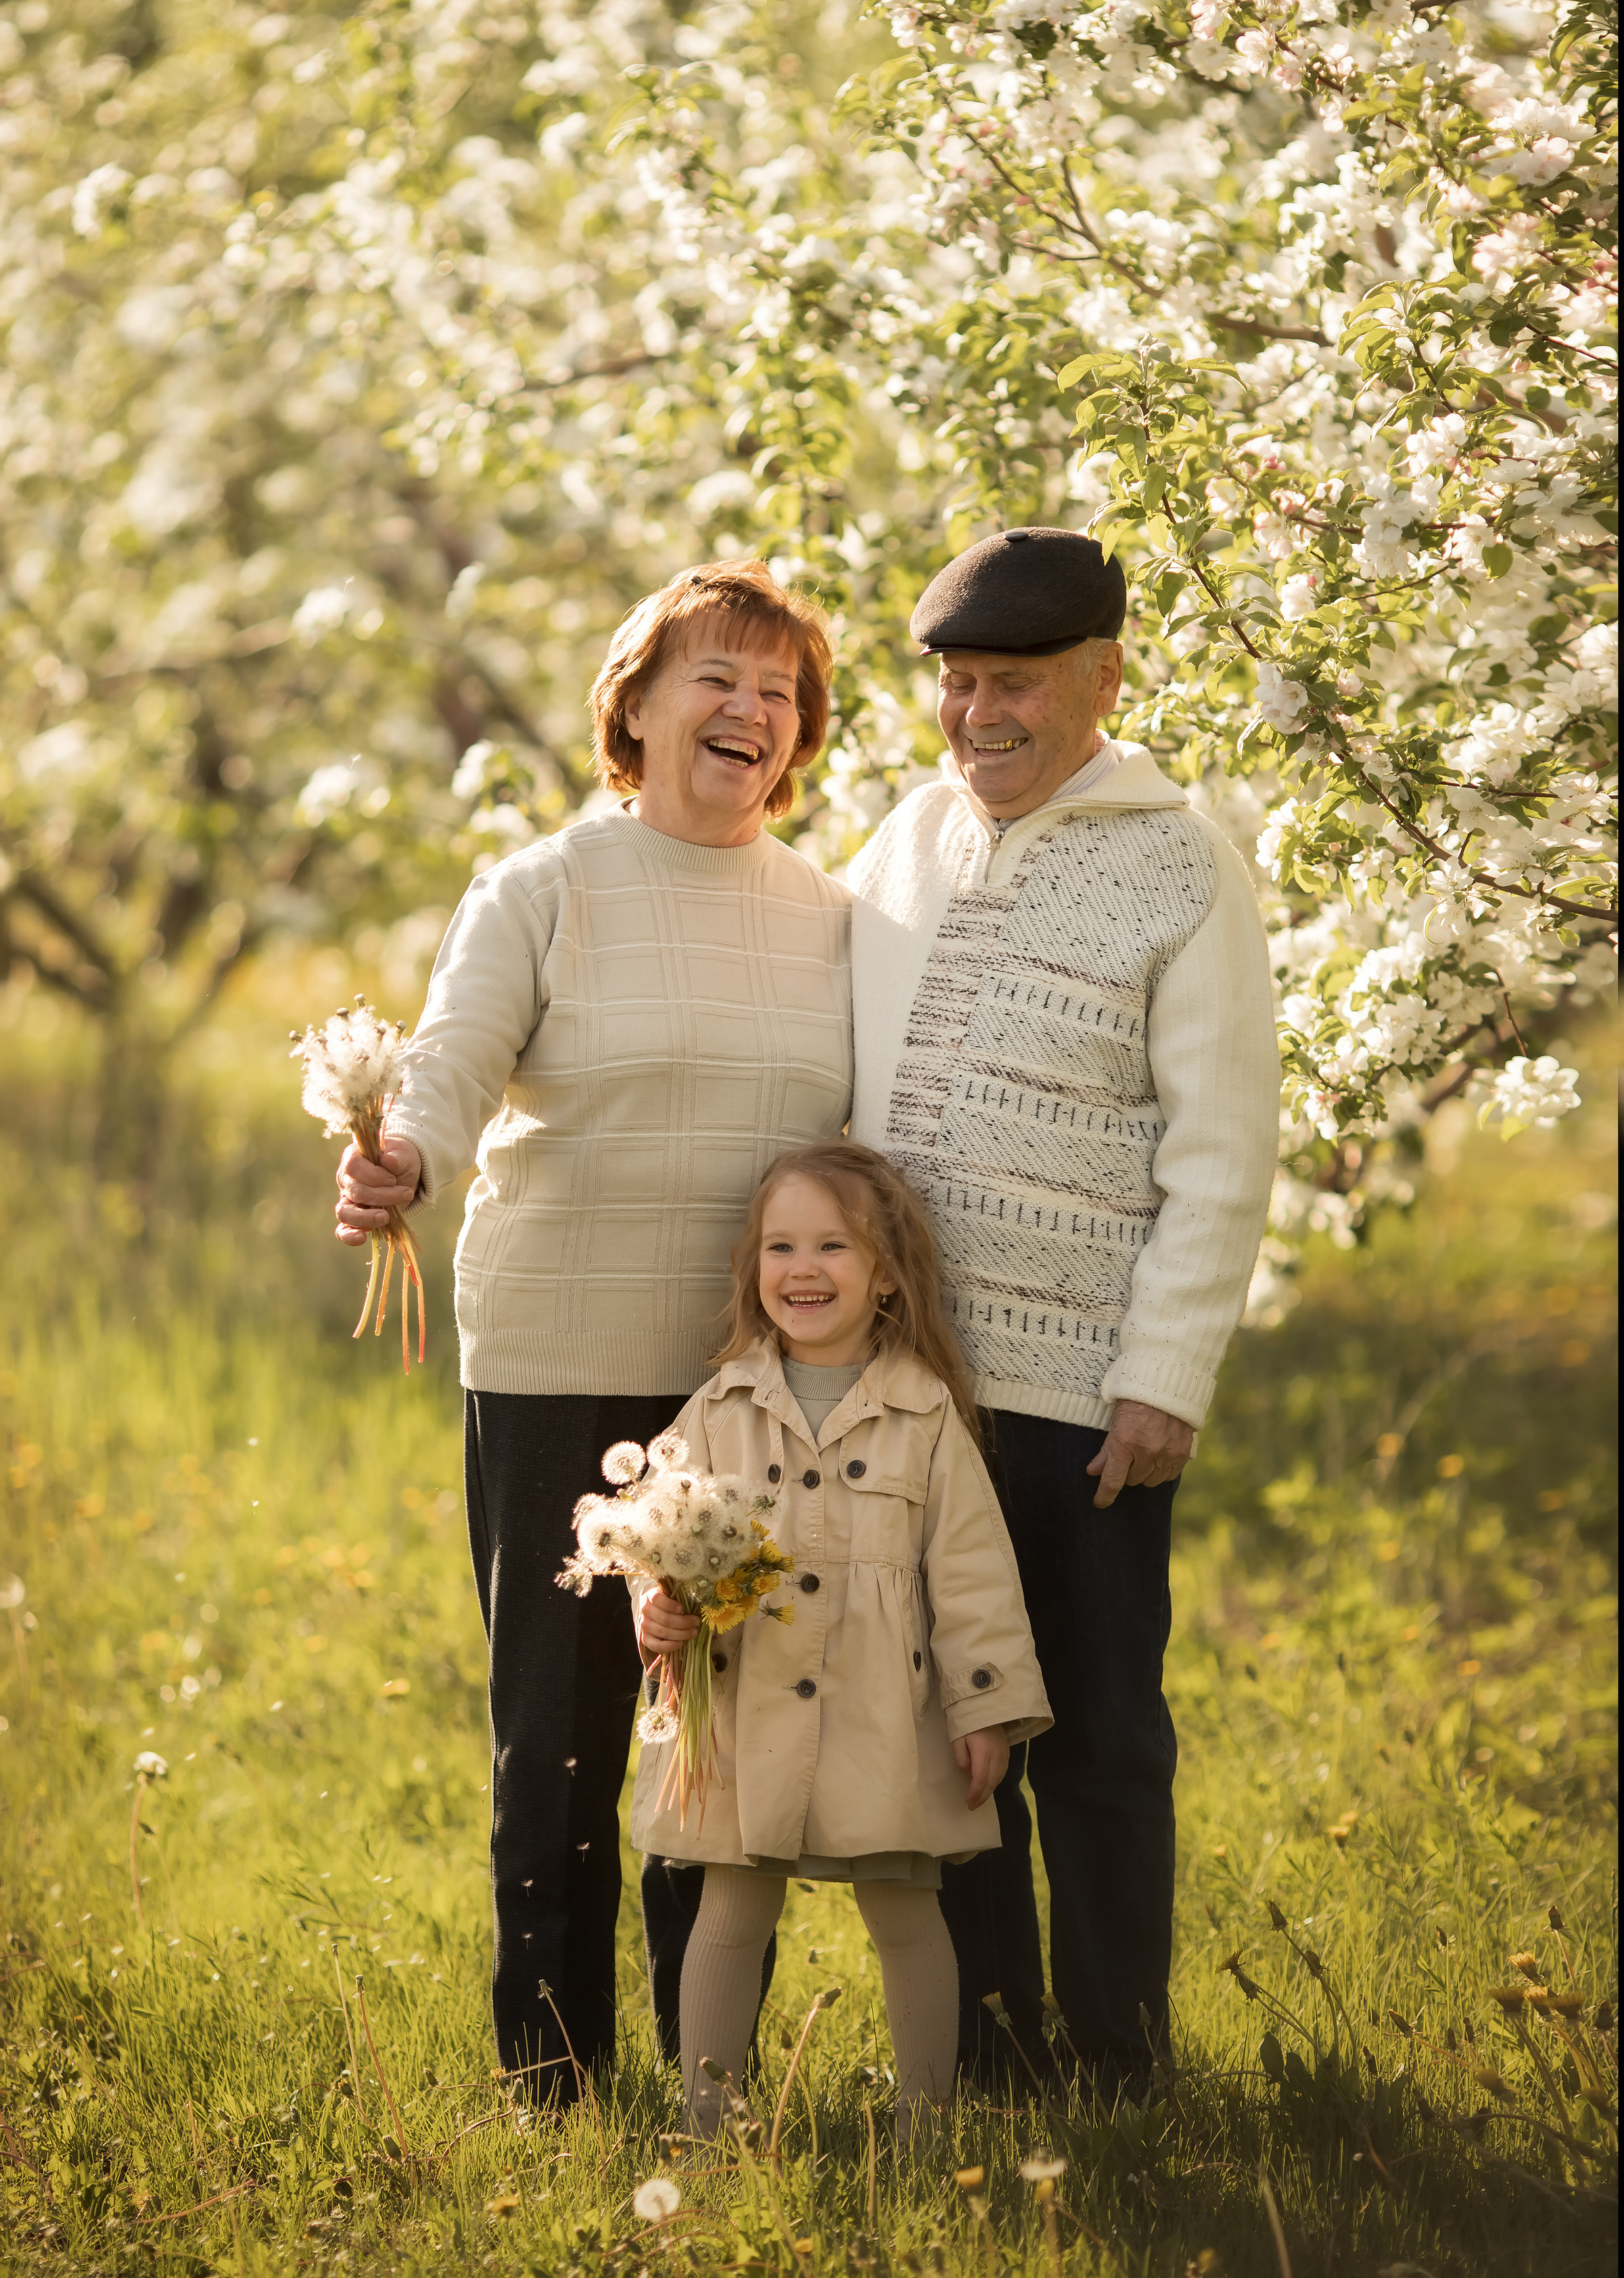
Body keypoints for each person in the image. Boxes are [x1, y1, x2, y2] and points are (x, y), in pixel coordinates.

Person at [333, 559, 853, 2107]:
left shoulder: (831, 918)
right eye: (715, 677)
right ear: (632, 703)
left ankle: (712, 2069)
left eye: (779, 692)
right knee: (557, 1729)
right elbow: (449, 1067)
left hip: (739, 1390)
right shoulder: (542, 888)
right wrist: (400, 1157)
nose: (749, 710)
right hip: (557, 1362)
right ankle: (551, 2074)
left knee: (718, 1729)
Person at [845, 526, 1279, 2098]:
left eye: (1012, 682)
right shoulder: (900, 841)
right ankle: (987, 2052)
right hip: (908, 1393)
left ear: (1103, 676)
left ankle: (1118, 2057)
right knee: (948, 1733)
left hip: (1085, 1398)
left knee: (1096, 1733)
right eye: (956, 684)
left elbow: (1222, 1145)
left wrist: (1161, 1376)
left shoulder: (1181, 861)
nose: (977, 716)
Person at [630, 1141, 1052, 2143]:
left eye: (833, 1243)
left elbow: (973, 1569)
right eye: (781, 1244)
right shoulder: (722, 1404)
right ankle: (708, 2116)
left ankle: (925, 2120)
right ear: (753, 1264)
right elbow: (653, 1532)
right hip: (744, 1698)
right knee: (731, 1905)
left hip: (883, 1703)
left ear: (889, 1273)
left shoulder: (925, 1413)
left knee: (907, 1908)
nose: (802, 1267)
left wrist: (987, 1703)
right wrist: (654, 1607)